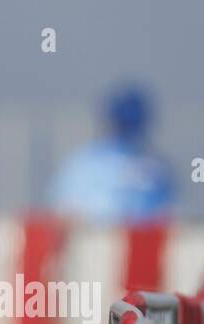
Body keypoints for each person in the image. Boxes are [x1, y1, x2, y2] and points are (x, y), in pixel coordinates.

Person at [48, 83, 175, 224]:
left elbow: (166, 214)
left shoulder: (156, 168)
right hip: (93, 241)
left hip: (136, 242)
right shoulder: (84, 162)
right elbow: (63, 212)